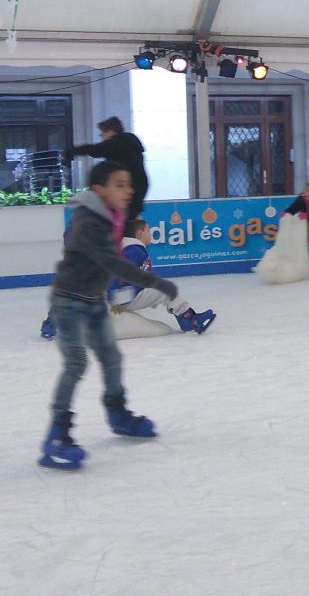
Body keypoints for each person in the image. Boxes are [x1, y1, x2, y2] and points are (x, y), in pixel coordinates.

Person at [38, 161, 179, 470]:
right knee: (76, 364)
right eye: (119, 184)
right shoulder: (89, 222)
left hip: (93, 300)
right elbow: (113, 263)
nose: (128, 190)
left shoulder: (114, 215)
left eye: (128, 184)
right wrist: (154, 282)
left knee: (111, 357)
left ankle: (118, 414)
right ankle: (56, 435)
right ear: (99, 190)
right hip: (69, 302)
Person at [108, 218, 216, 332]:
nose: (150, 234)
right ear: (140, 233)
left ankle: (188, 319)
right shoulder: (132, 251)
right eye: (148, 230)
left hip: (130, 295)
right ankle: (190, 320)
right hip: (124, 299)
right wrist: (116, 300)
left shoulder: (134, 249)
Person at [67, 116, 149, 222]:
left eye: (102, 134)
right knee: (130, 221)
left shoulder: (117, 143)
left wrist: (71, 151)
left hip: (130, 191)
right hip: (139, 188)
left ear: (110, 132)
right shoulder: (131, 144)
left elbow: (95, 150)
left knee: (122, 222)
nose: (102, 138)